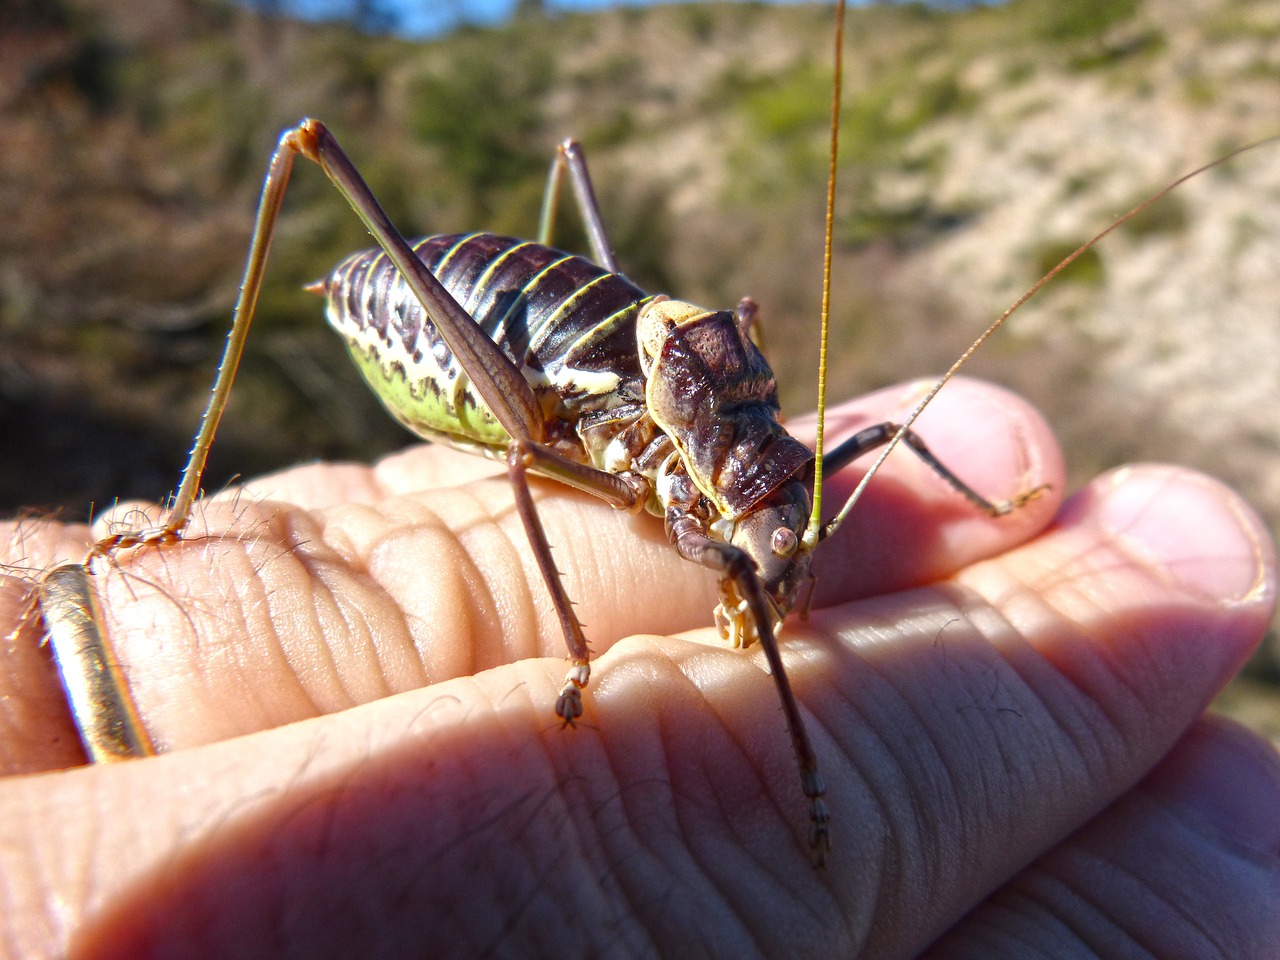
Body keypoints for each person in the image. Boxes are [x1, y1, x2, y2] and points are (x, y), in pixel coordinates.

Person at [1, 379, 1277, 958]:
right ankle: (176, 508)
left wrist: (992, 502)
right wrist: (578, 669)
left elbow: (837, 450)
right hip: (477, 357)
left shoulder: (760, 459)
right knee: (510, 443)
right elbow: (516, 458)